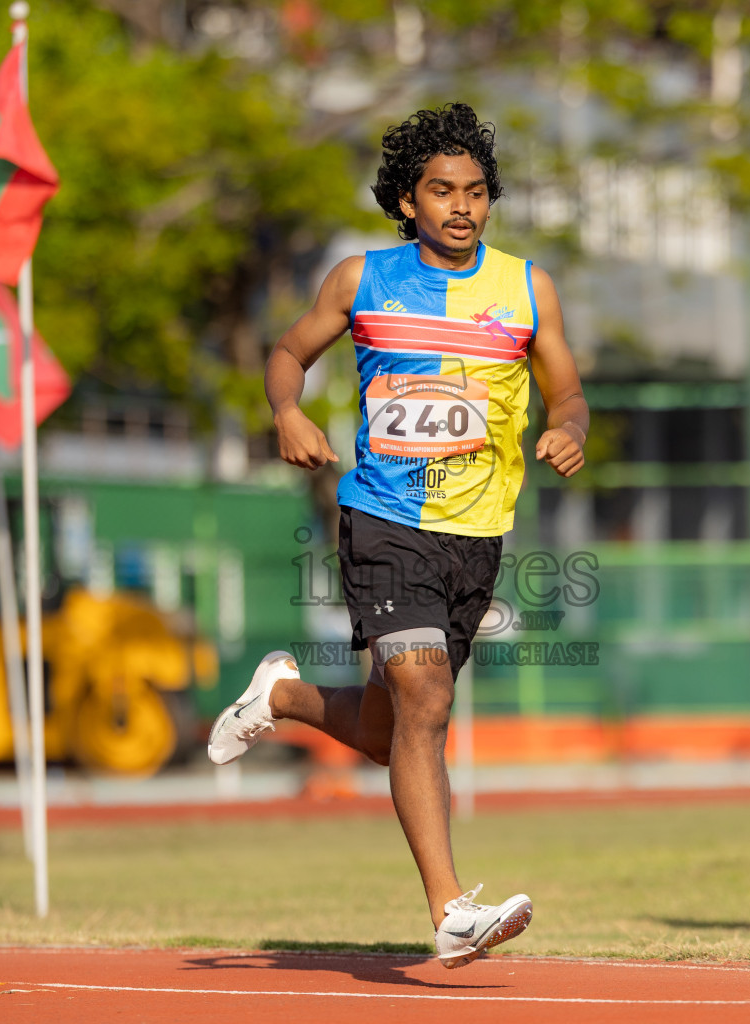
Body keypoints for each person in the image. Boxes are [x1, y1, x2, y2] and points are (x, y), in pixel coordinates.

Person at [207, 103, 588, 968]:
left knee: (391, 734)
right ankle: (451, 908)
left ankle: (285, 697)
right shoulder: (361, 280)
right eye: (442, 190)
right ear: (407, 201)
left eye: (477, 192)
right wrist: (285, 410)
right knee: (427, 700)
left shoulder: (529, 289)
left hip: (479, 534)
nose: (462, 206)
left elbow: (568, 392)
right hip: (384, 519)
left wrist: (570, 427)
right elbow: (287, 350)